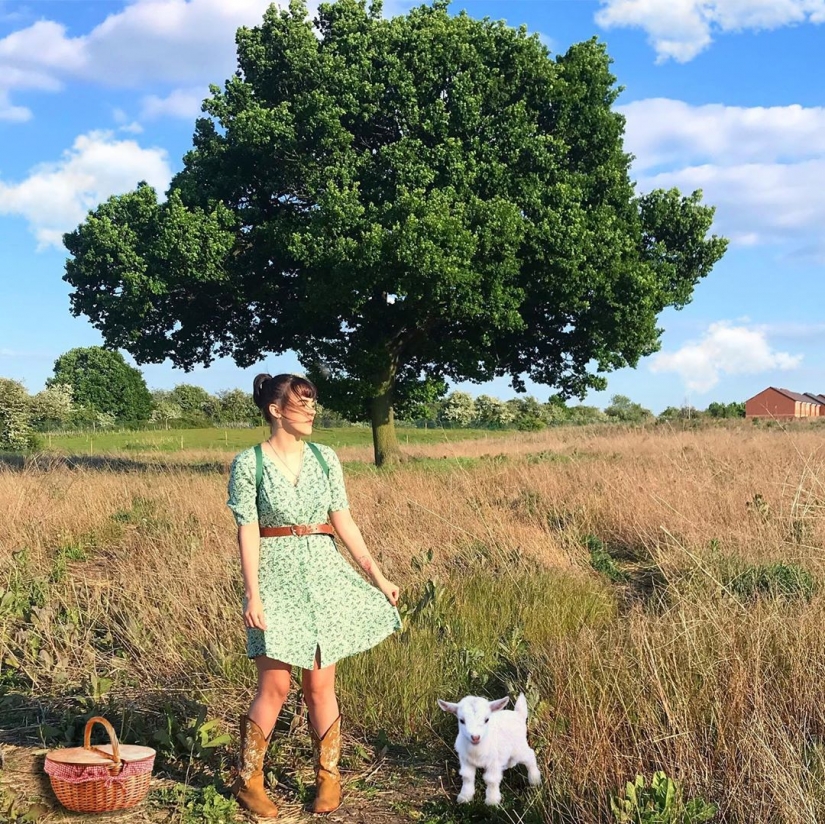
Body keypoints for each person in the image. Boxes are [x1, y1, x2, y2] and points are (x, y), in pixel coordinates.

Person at [226, 373, 401, 817]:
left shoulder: (326, 458)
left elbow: (343, 519)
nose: (312, 412)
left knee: (321, 686)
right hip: (276, 577)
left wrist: (377, 575)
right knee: (276, 685)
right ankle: (248, 781)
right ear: (275, 410)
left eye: (313, 403)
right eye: (303, 404)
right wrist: (252, 594)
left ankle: (329, 778)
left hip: (325, 575)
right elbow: (247, 529)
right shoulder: (250, 464)